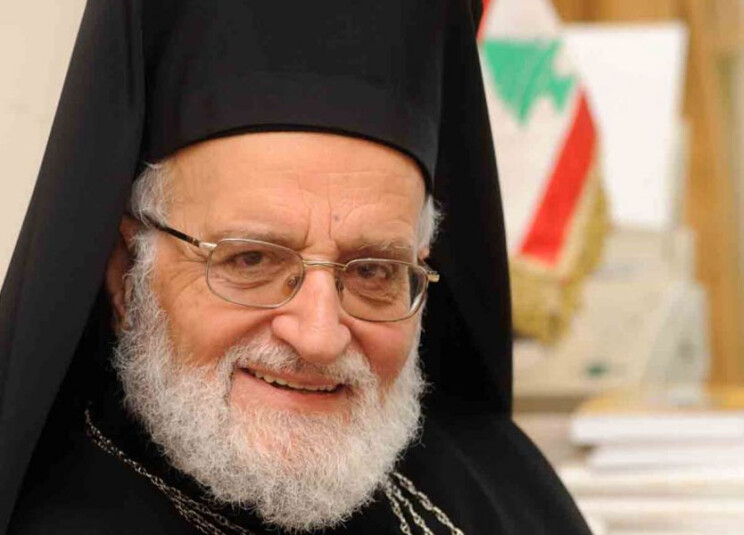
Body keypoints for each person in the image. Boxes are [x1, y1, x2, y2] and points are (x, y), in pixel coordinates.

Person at [0, 1, 591, 534]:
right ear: (128, 273)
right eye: (251, 260)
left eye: (373, 272)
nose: (319, 337)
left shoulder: (504, 491)